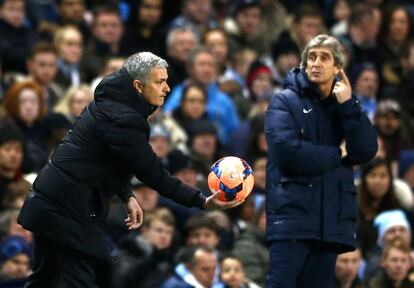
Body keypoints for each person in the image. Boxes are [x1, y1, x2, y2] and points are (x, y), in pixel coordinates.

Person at [17, 52, 242, 287]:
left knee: (44, 279)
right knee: (79, 280)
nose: (166, 88)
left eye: (166, 81)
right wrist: (200, 199)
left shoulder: (110, 103)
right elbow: (152, 172)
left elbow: (108, 158)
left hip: (50, 199)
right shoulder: (125, 119)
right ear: (138, 85)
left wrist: (126, 194)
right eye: (159, 82)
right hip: (69, 207)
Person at [264, 34, 377, 287]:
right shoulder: (284, 101)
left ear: (338, 67)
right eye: (311, 57)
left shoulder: (345, 105)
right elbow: (287, 152)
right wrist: (337, 154)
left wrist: (349, 105)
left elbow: (366, 150)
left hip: (330, 224)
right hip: (291, 222)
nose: (316, 63)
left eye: (324, 58)